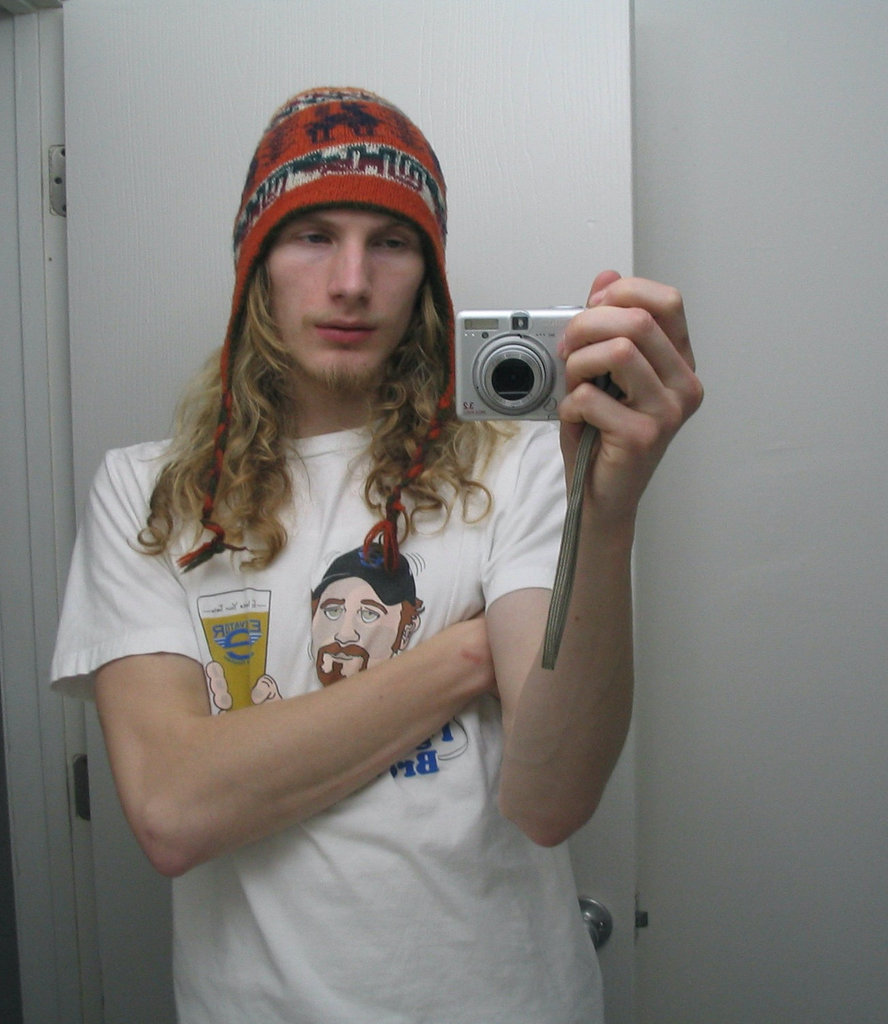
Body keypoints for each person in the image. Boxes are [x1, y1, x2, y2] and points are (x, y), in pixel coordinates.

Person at [51, 87, 703, 1023]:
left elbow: (551, 798)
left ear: (428, 276)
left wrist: (608, 520)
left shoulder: (521, 463)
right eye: (312, 235)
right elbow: (173, 809)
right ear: (255, 264)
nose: (352, 281)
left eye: (391, 242)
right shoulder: (150, 491)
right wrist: (466, 654)